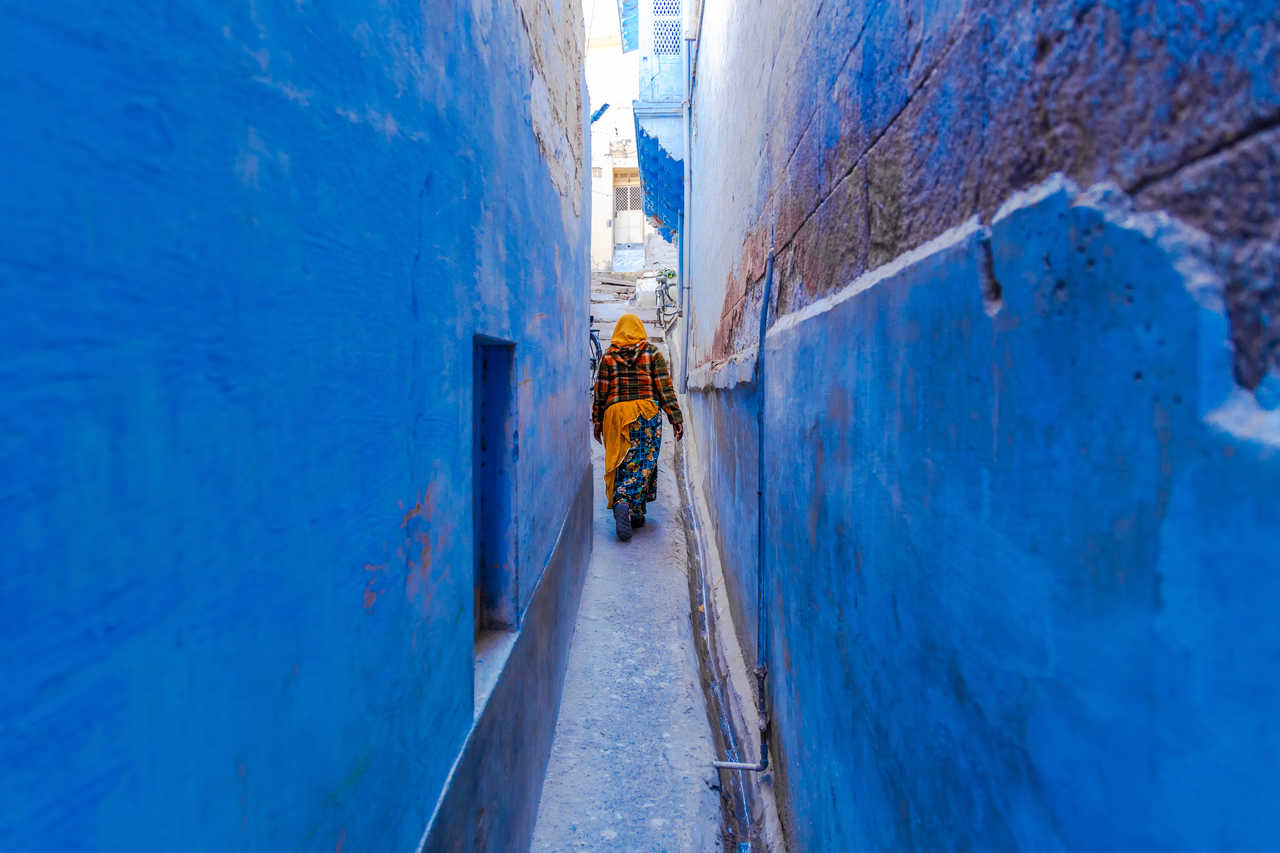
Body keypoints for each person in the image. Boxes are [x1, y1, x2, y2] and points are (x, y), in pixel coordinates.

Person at [591, 313, 684, 541]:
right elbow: (664, 388)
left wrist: (597, 421)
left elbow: (600, 391)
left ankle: (635, 513)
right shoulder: (652, 353)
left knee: (622, 461)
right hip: (645, 413)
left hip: (616, 415)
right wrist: (675, 417)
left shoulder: (609, 357)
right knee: (643, 461)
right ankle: (624, 500)